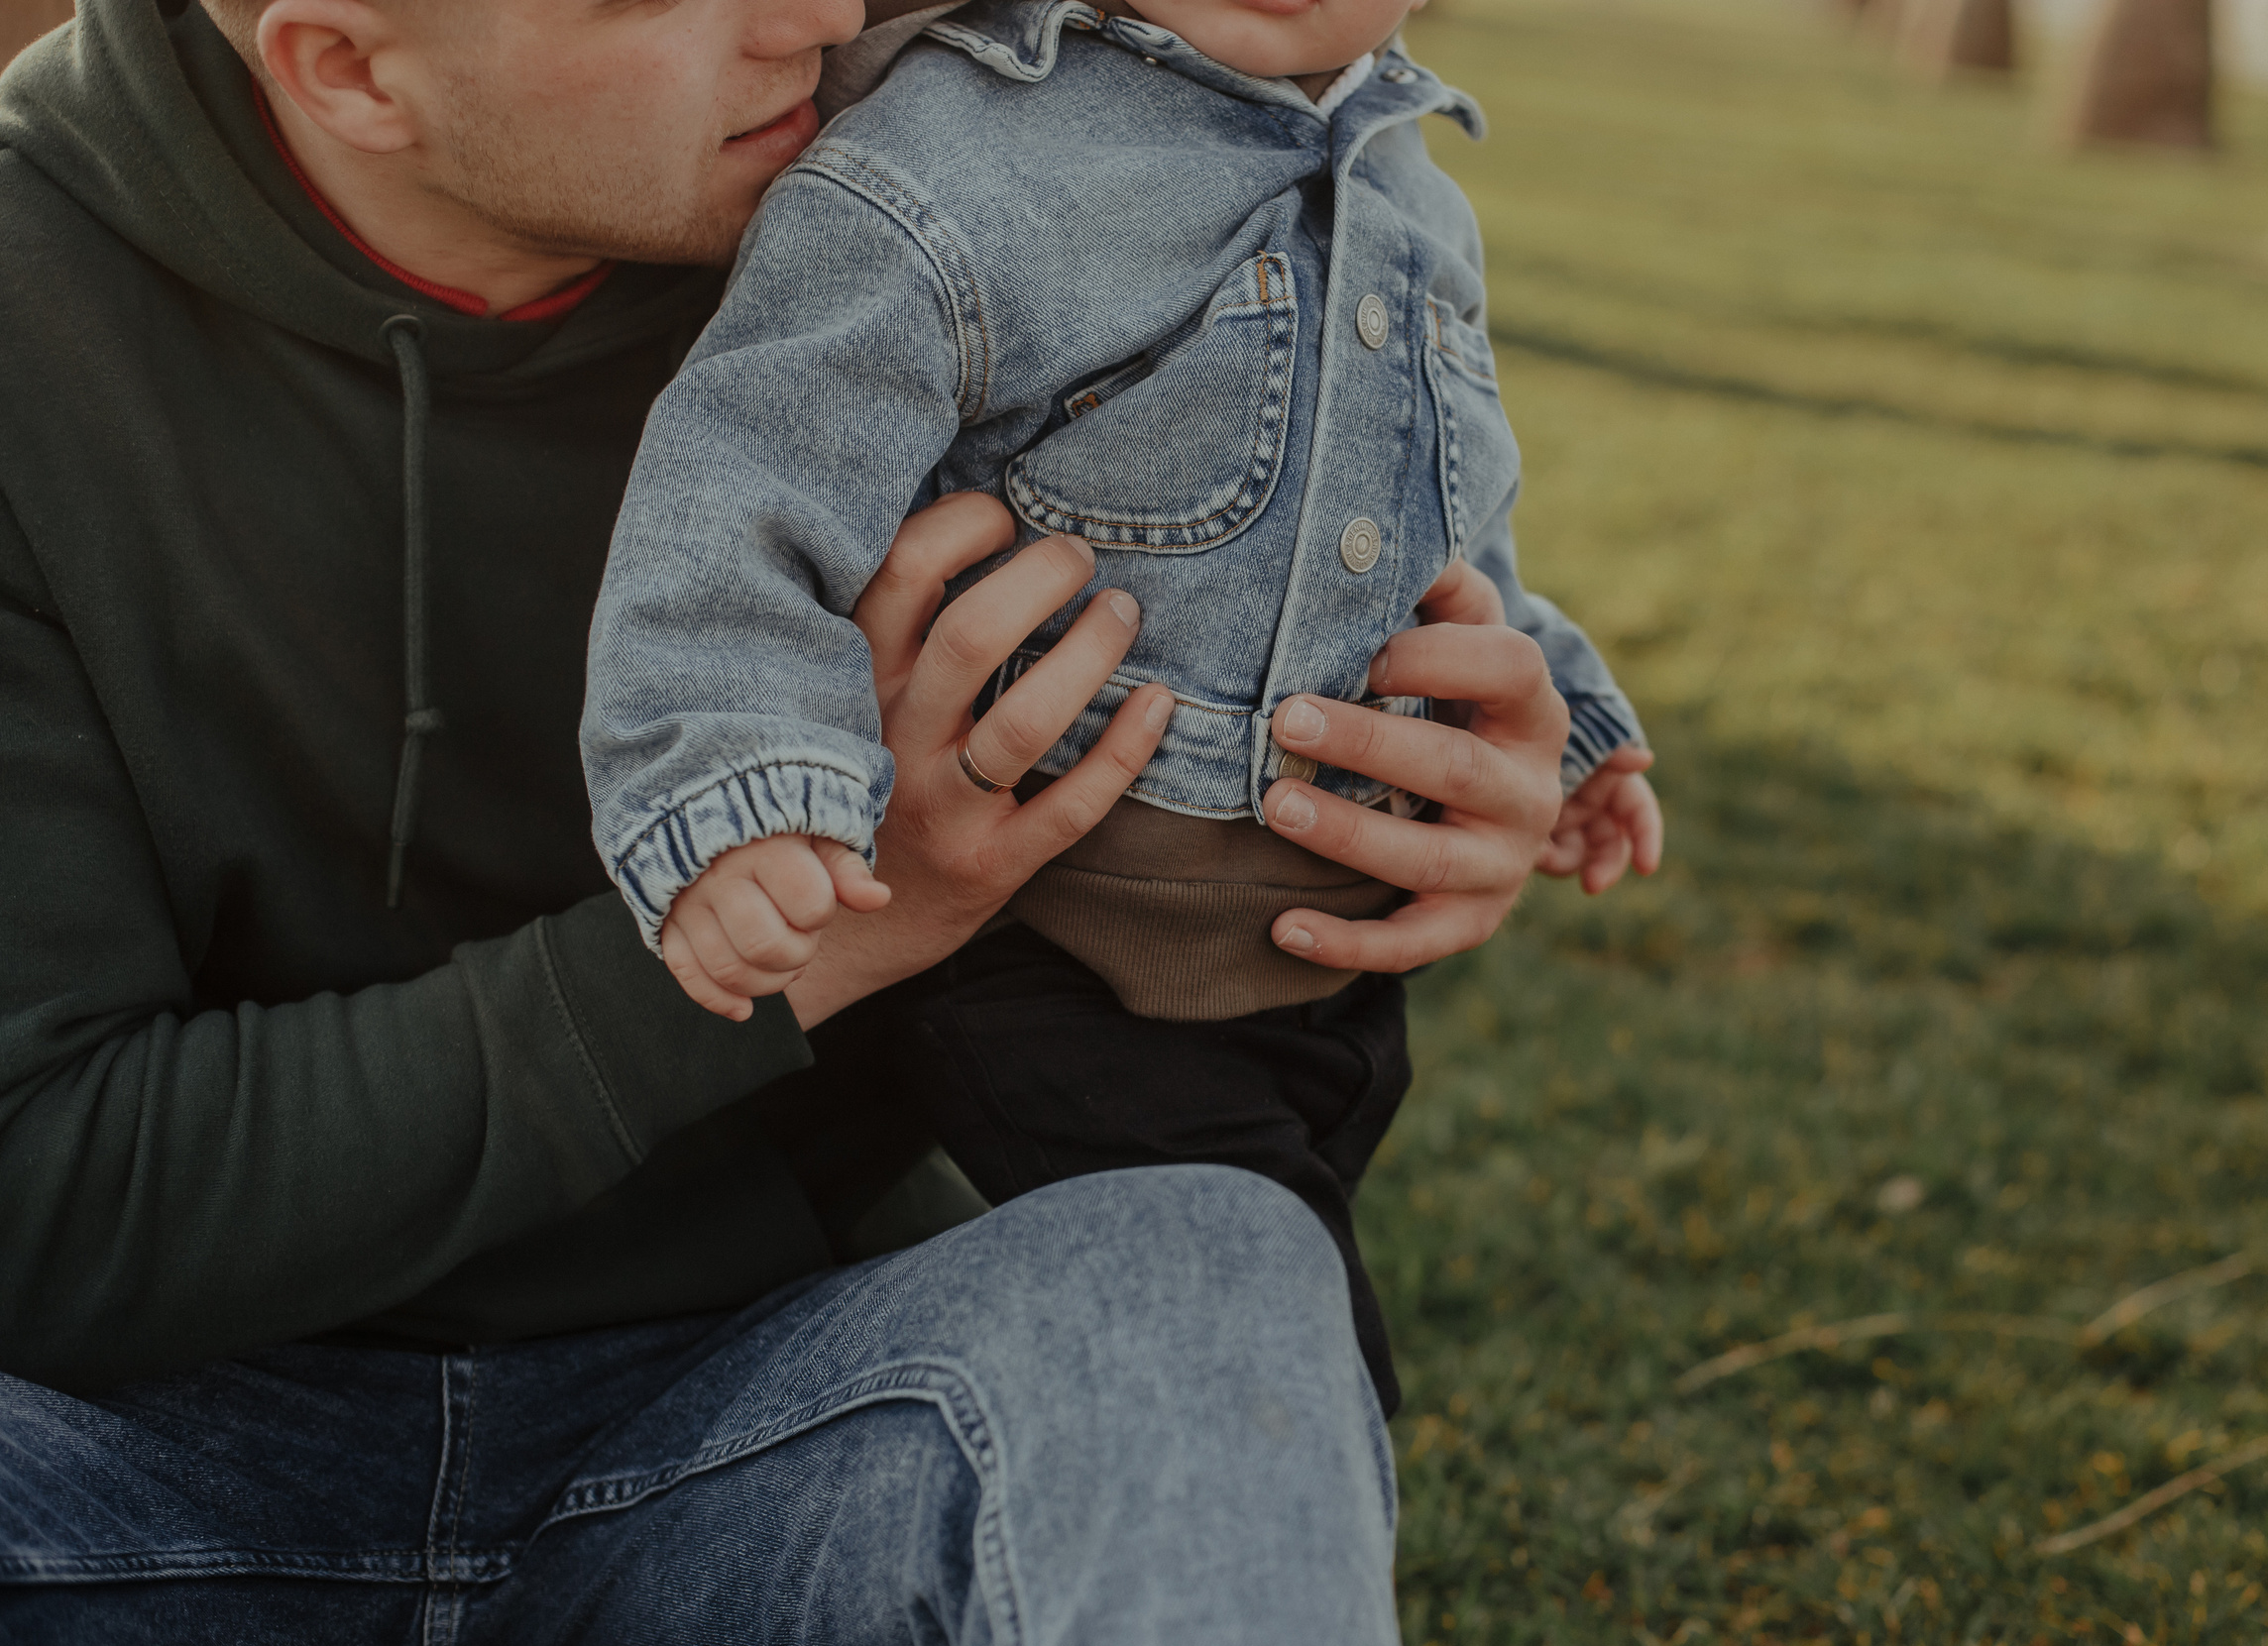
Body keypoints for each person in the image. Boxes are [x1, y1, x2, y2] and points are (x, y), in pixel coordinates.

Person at [0, 0, 1621, 1646]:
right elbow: (39, 1200)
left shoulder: (968, 166)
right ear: (349, 68)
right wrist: (848, 922)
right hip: (134, 1478)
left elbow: (1329, 489)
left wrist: (1429, 764)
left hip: (772, 1432)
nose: (822, 11)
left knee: (1208, 1272)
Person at [580, 0, 1664, 1413]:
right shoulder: (959, 158)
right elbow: (742, 495)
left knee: (1235, 1338)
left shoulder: (1411, 189)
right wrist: (741, 789)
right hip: (1058, 958)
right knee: (1280, 1376)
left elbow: (1453, 534)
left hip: (1315, 977)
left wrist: (1567, 717)